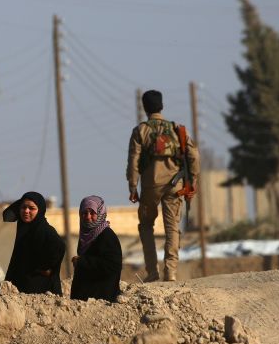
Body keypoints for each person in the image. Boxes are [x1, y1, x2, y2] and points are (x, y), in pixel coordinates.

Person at [126, 89, 199, 282]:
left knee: (146, 226)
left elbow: (133, 161)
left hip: (151, 185)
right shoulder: (177, 129)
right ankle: (171, 272)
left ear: (145, 108)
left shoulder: (140, 130)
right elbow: (194, 156)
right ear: (162, 106)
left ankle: (152, 272)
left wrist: (133, 187)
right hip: (175, 184)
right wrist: (193, 182)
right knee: (172, 227)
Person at [2, 191, 65, 294]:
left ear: (40, 210)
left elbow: (60, 246)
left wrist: (44, 267)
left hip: (42, 293)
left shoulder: (44, 230)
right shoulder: (24, 229)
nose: (26, 211)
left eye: (31, 208)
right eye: (23, 207)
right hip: (23, 289)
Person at [70, 195, 122, 302]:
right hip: (85, 300)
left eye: (92, 213)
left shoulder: (106, 236)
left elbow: (113, 266)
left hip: (102, 300)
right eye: (84, 213)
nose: (88, 217)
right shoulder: (86, 236)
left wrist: (81, 262)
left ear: (100, 213)